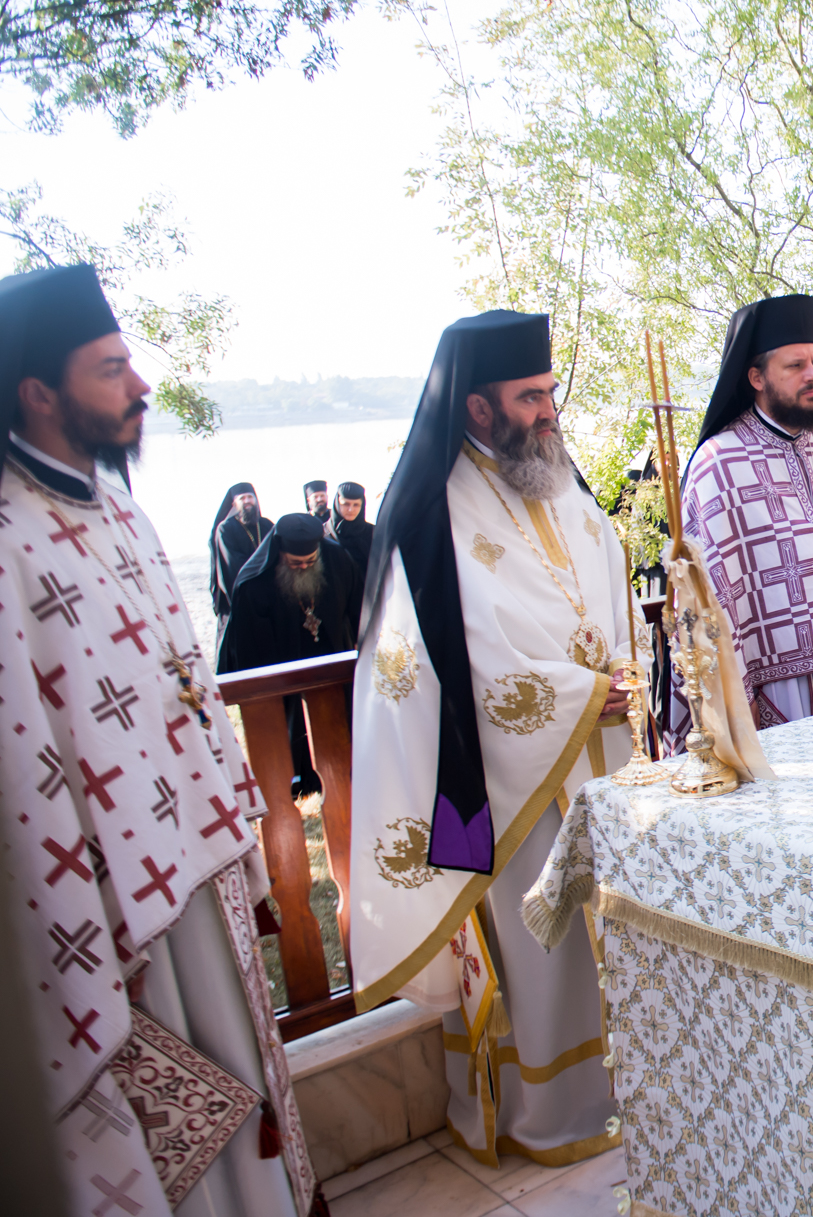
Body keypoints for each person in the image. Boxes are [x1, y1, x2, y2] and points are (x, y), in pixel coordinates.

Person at [0, 264, 319, 1215]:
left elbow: (187, 679)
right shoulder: (12, 538)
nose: (140, 386)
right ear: (38, 393)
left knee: (246, 1087)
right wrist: (81, 917)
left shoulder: (120, 508)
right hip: (116, 908)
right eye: (111, 370)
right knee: (177, 1133)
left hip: (200, 859)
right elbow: (22, 756)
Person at [348, 310, 631, 1170]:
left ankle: (628, 1087)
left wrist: (620, 671)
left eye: (549, 392)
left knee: (610, 932)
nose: (548, 411)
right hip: (509, 773)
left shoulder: (553, 475)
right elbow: (454, 651)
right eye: (529, 396)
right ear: (477, 408)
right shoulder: (433, 511)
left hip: (599, 753)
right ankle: (552, 1109)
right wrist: (582, 693)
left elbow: (604, 577)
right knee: (544, 941)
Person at [678, 294, 813, 727]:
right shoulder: (719, 463)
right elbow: (709, 593)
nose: (812, 375)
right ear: (756, 377)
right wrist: (736, 701)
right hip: (778, 688)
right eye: (795, 366)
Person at [218, 511, 365, 796]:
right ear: (280, 553)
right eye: (295, 563)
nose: (303, 567)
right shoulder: (254, 581)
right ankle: (302, 780)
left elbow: (358, 605)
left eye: (310, 561)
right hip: (283, 662)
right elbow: (249, 646)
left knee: (342, 714)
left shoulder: (337, 559)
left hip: (331, 653)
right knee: (294, 723)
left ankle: (347, 769)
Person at [211, 480, 271, 640]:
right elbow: (233, 565)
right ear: (234, 504)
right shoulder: (225, 529)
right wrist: (265, 572)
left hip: (269, 595)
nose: (247, 501)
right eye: (242, 498)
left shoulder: (267, 525)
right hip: (241, 595)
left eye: (250, 497)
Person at [330, 478, 375, 572]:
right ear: (337, 504)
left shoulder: (374, 533)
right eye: (346, 504)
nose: (350, 509)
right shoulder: (324, 533)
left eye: (356, 505)